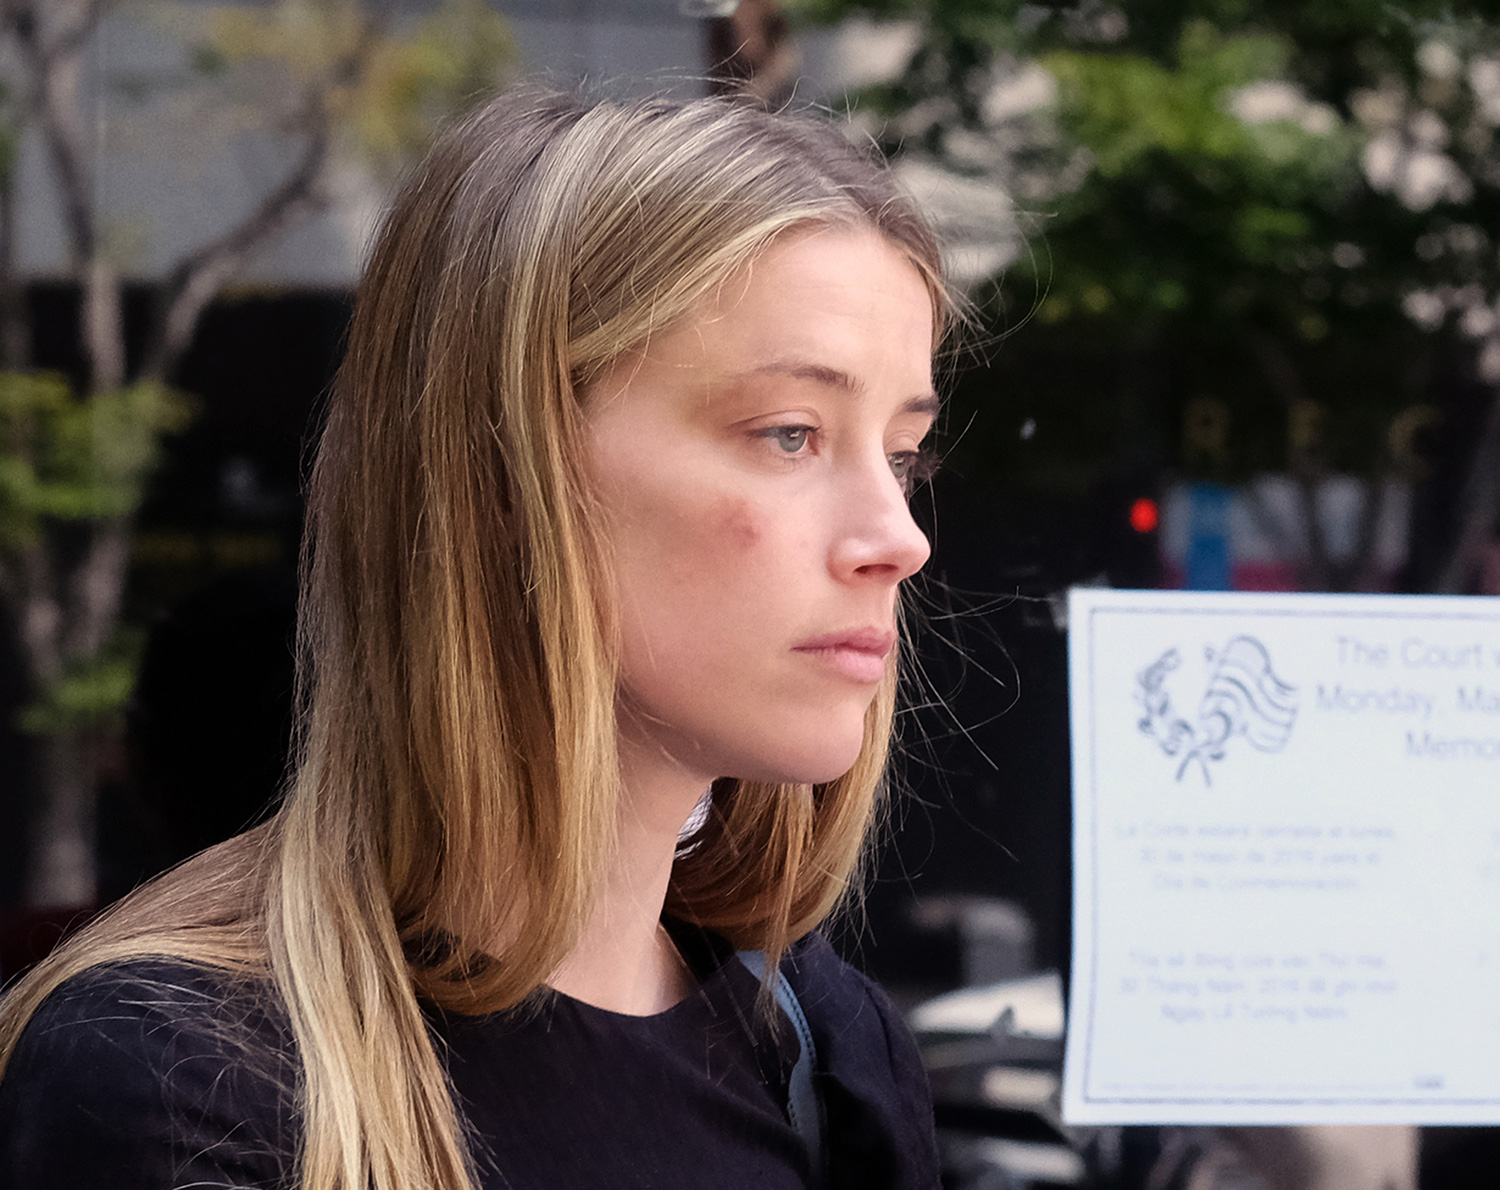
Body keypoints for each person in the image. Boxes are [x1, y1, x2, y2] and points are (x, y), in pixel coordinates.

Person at [0, 83, 949, 1190]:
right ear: (504, 473)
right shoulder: (187, 1079)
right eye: (789, 434)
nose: (898, 537)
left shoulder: (825, 1054)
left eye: (903, 454)